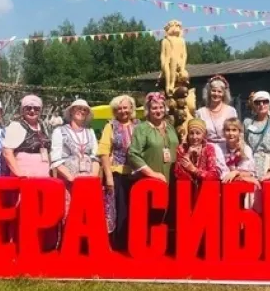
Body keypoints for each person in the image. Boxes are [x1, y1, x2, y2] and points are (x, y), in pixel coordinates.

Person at [51, 99, 114, 233]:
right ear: (71, 111)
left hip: (88, 180)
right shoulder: (59, 131)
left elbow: (95, 156)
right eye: (78, 108)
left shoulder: (90, 132)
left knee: (88, 213)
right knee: (70, 213)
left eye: (84, 110)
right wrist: (71, 178)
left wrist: (92, 177)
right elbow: (56, 159)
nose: (81, 111)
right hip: (69, 181)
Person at [97, 94, 139, 250]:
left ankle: (134, 242)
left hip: (137, 174)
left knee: (135, 210)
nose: (123, 111)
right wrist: (108, 176)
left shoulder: (139, 125)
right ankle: (119, 244)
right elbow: (103, 152)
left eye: (125, 107)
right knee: (120, 210)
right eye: (119, 108)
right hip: (118, 173)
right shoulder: (111, 126)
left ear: (131, 108)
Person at [128, 92, 180, 183]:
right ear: (148, 110)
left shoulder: (170, 127)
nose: (158, 111)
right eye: (154, 108)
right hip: (152, 181)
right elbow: (133, 154)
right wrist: (152, 173)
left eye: (161, 107)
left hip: (173, 178)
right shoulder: (142, 129)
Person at [2, 94, 51, 178]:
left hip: (43, 176)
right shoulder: (16, 126)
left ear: (40, 111)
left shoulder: (43, 126)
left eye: (36, 108)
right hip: (25, 177)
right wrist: (20, 174)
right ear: (22, 110)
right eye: (28, 108)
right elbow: (7, 153)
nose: (32, 111)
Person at [195, 75, 237, 153]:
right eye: (213, 91)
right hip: (207, 151)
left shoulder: (231, 111)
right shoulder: (200, 112)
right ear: (209, 92)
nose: (216, 94)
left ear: (224, 94)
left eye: (219, 91)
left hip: (227, 150)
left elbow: (236, 133)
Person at [173, 119, 222, 183]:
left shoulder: (209, 148)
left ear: (203, 135)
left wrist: (194, 169)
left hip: (205, 186)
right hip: (186, 186)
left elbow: (213, 175)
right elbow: (178, 174)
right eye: (191, 133)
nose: (194, 137)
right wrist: (188, 154)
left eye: (198, 133)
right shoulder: (181, 148)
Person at [221, 117, 258, 186]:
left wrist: (235, 172)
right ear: (223, 132)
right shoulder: (219, 148)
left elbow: (251, 173)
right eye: (228, 130)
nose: (230, 133)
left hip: (243, 186)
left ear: (239, 132)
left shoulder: (246, 149)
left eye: (234, 130)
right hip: (224, 184)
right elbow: (220, 172)